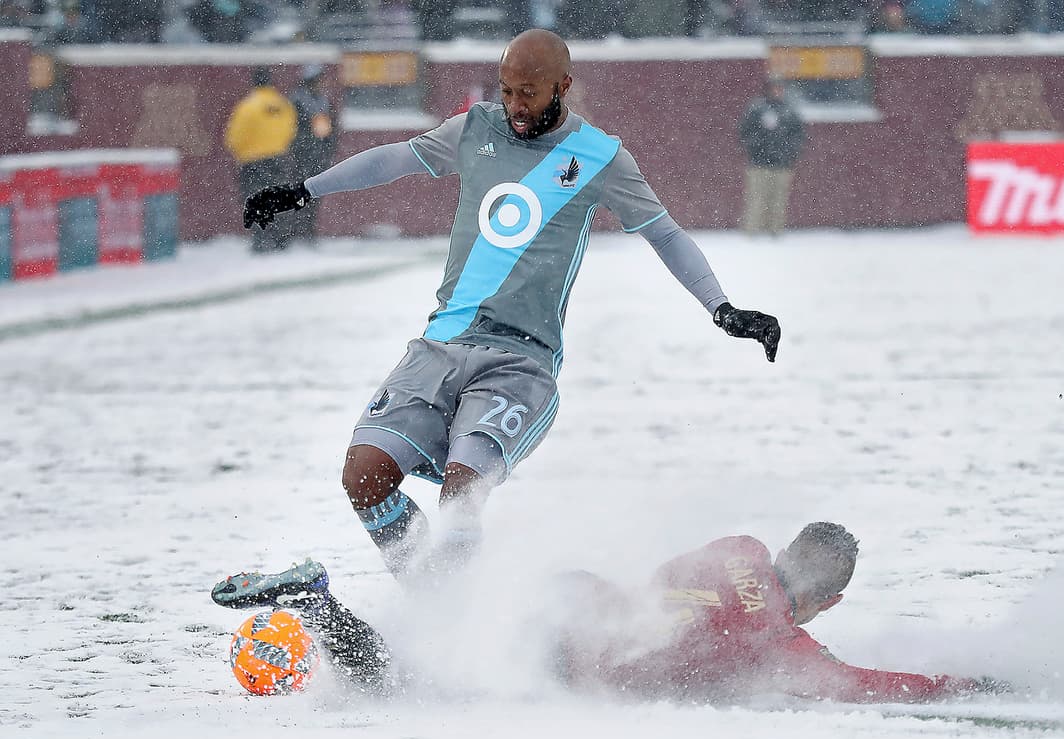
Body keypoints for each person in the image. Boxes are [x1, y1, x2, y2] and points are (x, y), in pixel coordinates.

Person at [239, 29, 783, 583]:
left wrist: (722, 308)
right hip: (443, 342)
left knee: (462, 494)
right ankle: (430, 595)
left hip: (521, 361)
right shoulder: (474, 129)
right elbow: (394, 161)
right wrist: (303, 189)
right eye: (507, 92)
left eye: (529, 92)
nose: (516, 106)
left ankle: (452, 615)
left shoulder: (600, 157)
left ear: (563, 86)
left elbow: (664, 234)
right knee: (364, 475)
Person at [211, 522, 997, 702]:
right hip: (574, 652)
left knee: (445, 635)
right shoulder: (780, 641)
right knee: (408, 688)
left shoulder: (742, 544)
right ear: (831, 600)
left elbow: (675, 583)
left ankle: (336, 597)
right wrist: (964, 683)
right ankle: (316, 601)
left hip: (572, 598)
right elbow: (861, 686)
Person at [224, 66, 297, 253]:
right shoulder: (283, 104)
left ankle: (261, 240)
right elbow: (291, 130)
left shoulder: (248, 106)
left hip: (253, 161)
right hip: (278, 158)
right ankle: (281, 240)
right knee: (279, 199)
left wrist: (241, 153)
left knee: (255, 201)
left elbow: (234, 137)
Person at [738, 78, 806, 236]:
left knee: (778, 200)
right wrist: (757, 149)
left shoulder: (789, 111)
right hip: (759, 164)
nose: (777, 92)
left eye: (780, 88)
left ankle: (775, 230)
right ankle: (752, 230)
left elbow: (798, 136)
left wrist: (788, 153)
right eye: (774, 88)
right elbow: (744, 132)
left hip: (782, 165)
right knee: (757, 198)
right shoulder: (756, 109)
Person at [284, 64, 336, 245]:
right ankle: (294, 231)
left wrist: (326, 149)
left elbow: (327, 131)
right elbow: (291, 129)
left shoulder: (322, 101)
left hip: (316, 154)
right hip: (300, 155)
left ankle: (308, 230)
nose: (320, 84)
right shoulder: (296, 101)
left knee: (314, 194)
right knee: (298, 193)